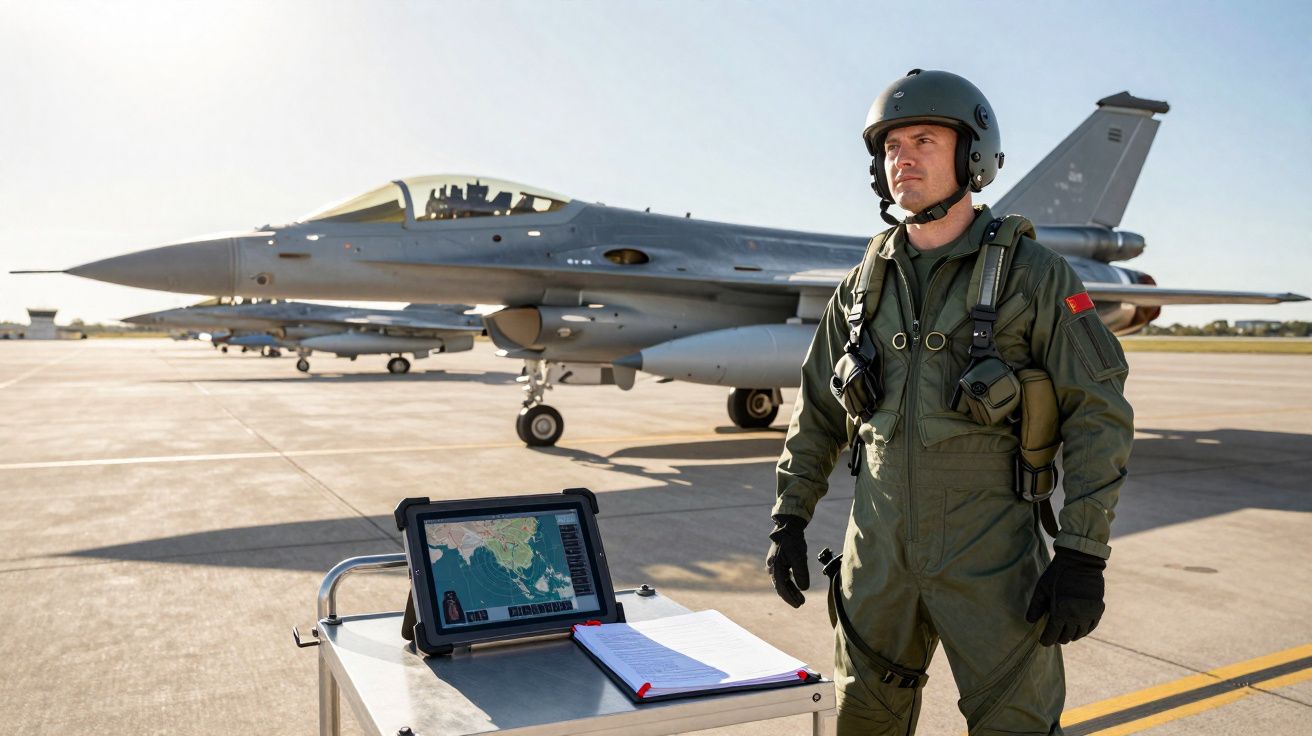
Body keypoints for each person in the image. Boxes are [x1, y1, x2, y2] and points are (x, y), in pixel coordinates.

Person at [766, 69, 1134, 735]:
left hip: (992, 560)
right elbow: (818, 409)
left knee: (1016, 726)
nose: (902, 158)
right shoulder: (860, 288)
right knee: (862, 724)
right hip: (877, 558)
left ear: (972, 156)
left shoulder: (1035, 276)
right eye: (891, 146)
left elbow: (1098, 413)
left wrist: (1083, 552)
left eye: (924, 141)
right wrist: (789, 518)